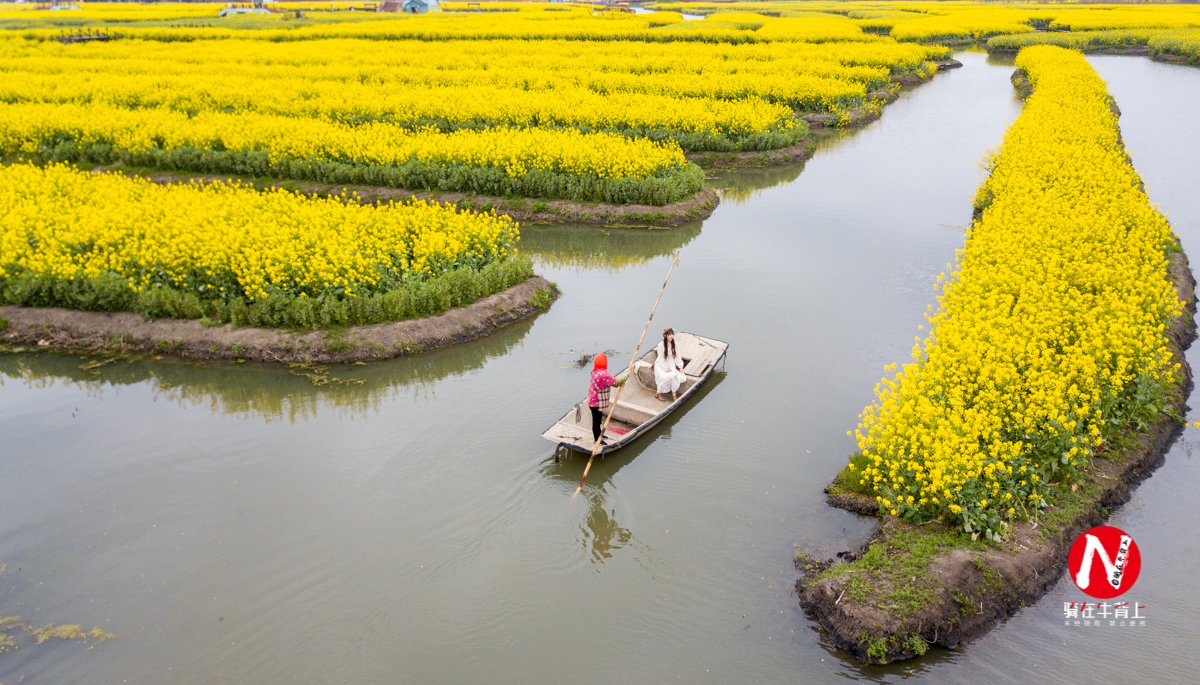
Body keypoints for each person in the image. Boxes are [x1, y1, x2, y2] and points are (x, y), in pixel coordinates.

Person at [587, 352, 617, 445]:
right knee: (596, 421)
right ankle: (597, 440)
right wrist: (626, 376)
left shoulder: (594, 371)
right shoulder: (603, 374)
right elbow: (614, 382)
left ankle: (599, 434)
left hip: (592, 400)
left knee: (598, 419)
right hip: (596, 402)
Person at [654, 327, 686, 402]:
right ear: (665, 336)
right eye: (669, 334)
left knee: (672, 376)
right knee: (668, 376)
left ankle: (674, 395)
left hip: (670, 363)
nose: (671, 336)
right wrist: (665, 369)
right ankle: (658, 393)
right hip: (661, 365)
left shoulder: (675, 344)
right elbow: (661, 358)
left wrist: (680, 367)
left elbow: (678, 356)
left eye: (672, 334)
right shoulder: (661, 345)